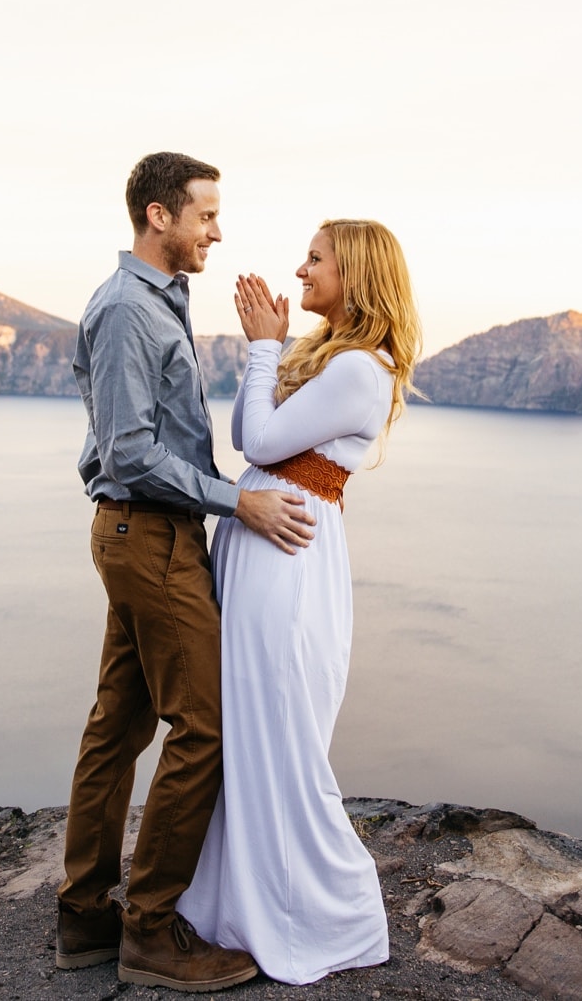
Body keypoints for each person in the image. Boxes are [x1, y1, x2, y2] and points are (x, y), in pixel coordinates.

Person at [57, 151, 318, 993]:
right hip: (153, 536)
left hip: (138, 533)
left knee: (118, 723)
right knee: (203, 727)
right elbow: (131, 451)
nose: (217, 229)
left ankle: (85, 915)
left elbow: (111, 434)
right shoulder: (133, 308)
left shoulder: (147, 302)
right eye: (205, 213)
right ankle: (151, 928)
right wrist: (234, 503)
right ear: (158, 216)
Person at [177, 219, 421, 985]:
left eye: (316, 258)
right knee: (249, 730)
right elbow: (257, 436)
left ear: (356, 272)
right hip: (264, 552)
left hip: (287, 565)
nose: (301, 268)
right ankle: (242, 904)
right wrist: (272, 349)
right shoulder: (332, 356)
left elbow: (256, 440)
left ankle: (336, 913)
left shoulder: (359, 368)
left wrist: (260, 346)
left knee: (280, 735)